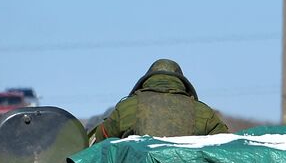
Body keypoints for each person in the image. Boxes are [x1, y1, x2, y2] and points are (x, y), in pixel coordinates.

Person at [88, 58, 229, 144]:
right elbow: (226, 148)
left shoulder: (126, 108)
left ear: (146, 80)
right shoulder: (203, 113)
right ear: (182, 82)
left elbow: (98, 143)